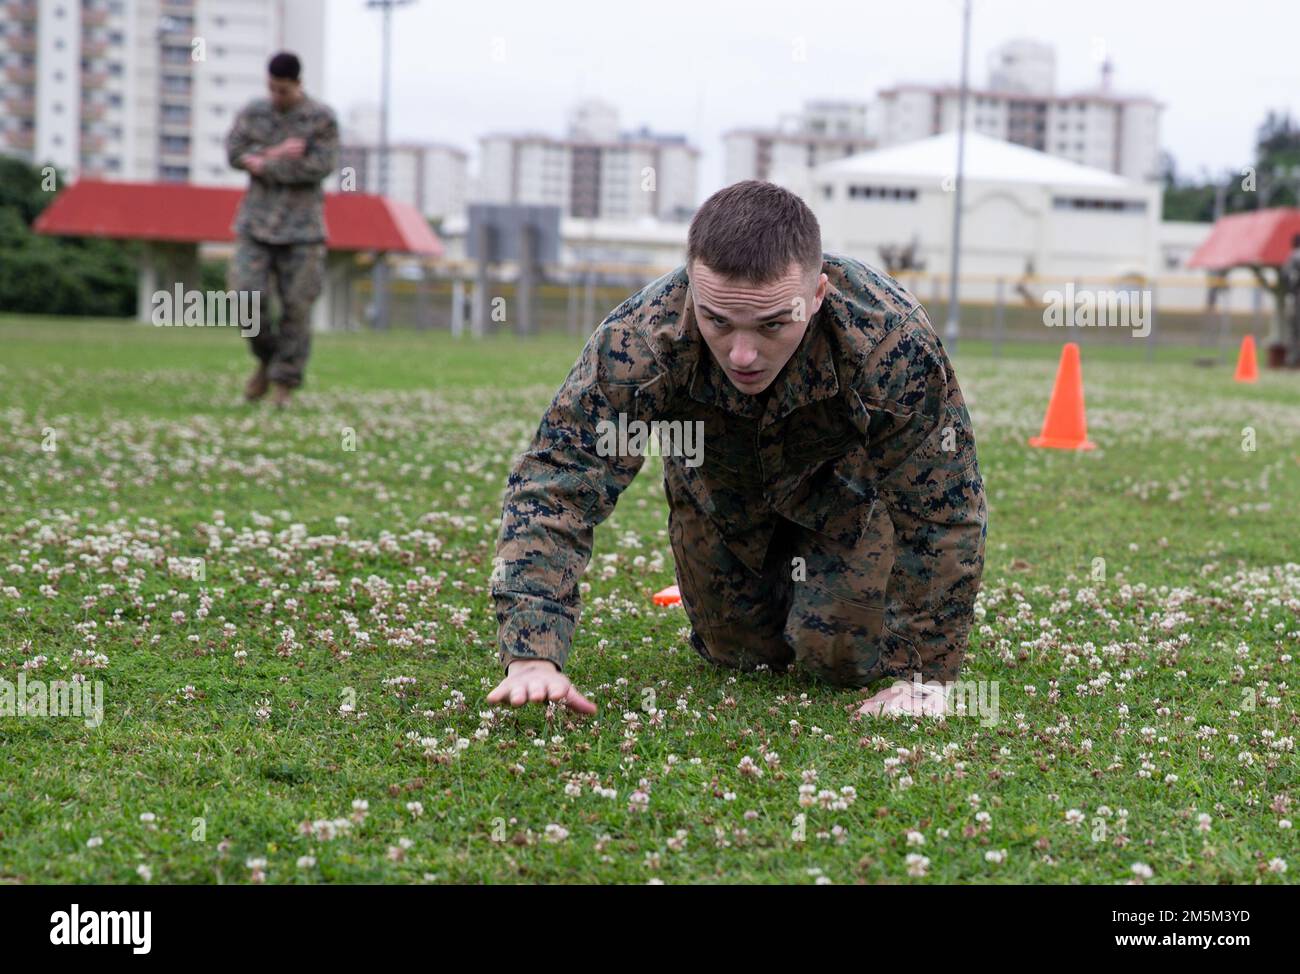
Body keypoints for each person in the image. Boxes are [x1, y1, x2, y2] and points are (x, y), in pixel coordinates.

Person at [487, 180, 987, 719]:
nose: (743, 353)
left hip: (846, 499)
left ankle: (831, 583)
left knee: (838, 659)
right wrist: (533, 657)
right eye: (718, 322)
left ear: (816, 294)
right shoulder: (642, 339)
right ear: (692, 290)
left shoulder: (889, 338)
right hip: (719, 494)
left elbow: (943, 511)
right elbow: (558, 482)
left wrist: (923, 674)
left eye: (773, 324)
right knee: (742, 655)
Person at [225, 51, 339, 407]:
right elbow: (233, 153)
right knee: (244, 299)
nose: (277, 96)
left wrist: (263, 164)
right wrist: (276, 153)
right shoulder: (254, 112)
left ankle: (283, 386)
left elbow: (319, 167)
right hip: (255, 225)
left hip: (302, 230)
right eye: (272, 89)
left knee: (297, 308)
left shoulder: (320, 119)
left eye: (284, 90)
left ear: (299, 85)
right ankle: (265, 359)